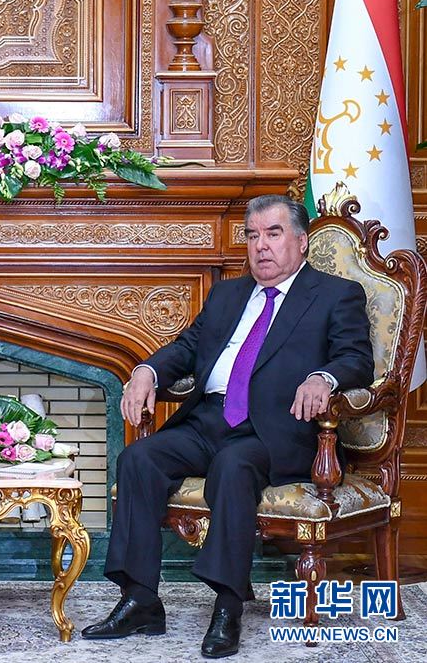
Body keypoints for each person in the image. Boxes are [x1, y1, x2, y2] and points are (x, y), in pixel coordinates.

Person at [81, 195, 374, 657]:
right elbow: (186, 348)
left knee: (233, 465)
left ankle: (227, 606)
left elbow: (356, 358)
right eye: (253, 235)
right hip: (210, 419)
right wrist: (147, 371)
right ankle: (140, 599)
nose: (261, 246)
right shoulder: (227, 294)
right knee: (139, 458)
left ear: (301, 241)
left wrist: (324, 377)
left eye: (273, 233)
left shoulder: (335, 294)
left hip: (275, 429)